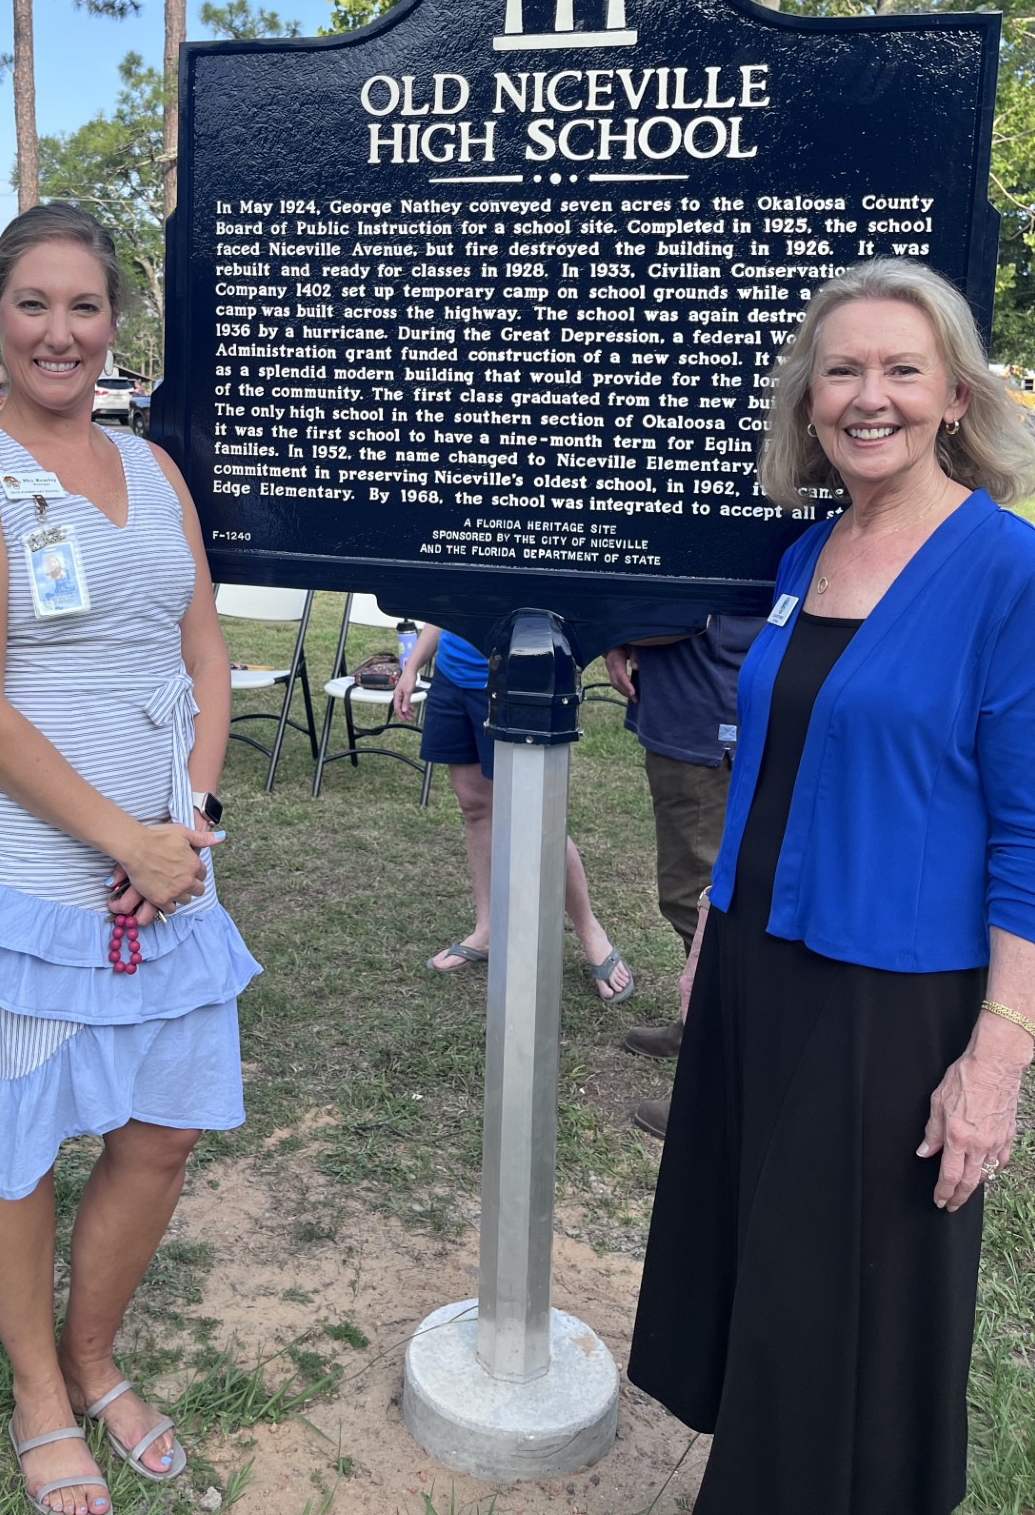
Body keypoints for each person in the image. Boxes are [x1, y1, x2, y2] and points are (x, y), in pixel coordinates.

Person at [628, 257, 1035, 1515]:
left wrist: (998, 1058)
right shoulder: (814, 547)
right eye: (841, 370)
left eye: (902, 370)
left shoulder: (1009, 571)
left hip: (891, 995)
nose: (871, 397)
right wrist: (709, 935)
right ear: (807, 400)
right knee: (762, 1260)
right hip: (760, 961)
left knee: (843, 1292)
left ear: (956, 396)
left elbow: (1030, 832)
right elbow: (773, 760)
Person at [0, 202, 257, 1515]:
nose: (62, 331)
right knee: (26, 1137)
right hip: (29, 856)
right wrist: (119, 839)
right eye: (35, 305)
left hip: (168, 846)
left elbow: (203, 651)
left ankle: (92, 1354)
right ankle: (36, 1394)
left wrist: (191, 820)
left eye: (86, 306)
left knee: (162, 1131)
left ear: (117, 325)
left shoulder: (157, 467)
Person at [394, 626, 632, 997]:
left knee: (537, 814)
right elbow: (445, 609)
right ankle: (487, 930)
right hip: (452, 680)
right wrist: (411, 668)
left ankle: (591, 933)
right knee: (474, 808)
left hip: (515, 681)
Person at [602, 616, 763, 1136]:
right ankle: (698, 1031)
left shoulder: (720, 533)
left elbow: (677, 613)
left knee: (700, 905)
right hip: (692, 715)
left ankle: (717, 1089)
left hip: (707, 721)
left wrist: (608, 625)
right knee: (697, 898)